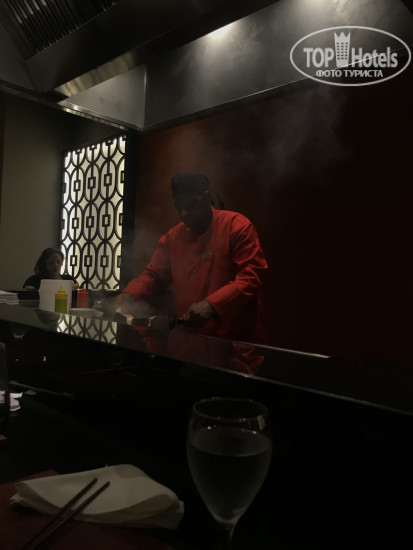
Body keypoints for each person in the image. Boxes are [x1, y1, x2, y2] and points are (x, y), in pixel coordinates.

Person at [111, 173, 268, 344]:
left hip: (234, 343)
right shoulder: (172, 239)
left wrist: (211, 305)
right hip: (190, 340)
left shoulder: (236, 227)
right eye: (179, 207)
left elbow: (251, 276)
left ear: (207, 198)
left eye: (191, 205)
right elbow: (153, 276)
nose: (184, 213)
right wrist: (129, 295)